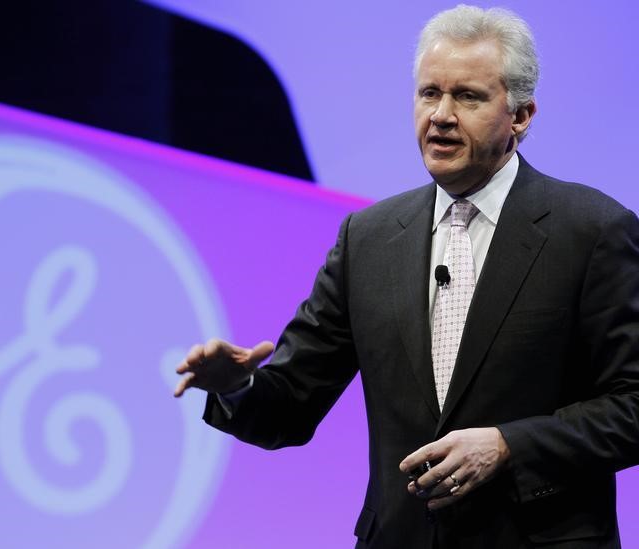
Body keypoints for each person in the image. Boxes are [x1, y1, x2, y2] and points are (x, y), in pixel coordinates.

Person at [174, 5, 639, 548]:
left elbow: (631, 405)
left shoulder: (592, 231)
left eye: (467, 96)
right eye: (428, 93)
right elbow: (291, 406)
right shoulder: (368, 239)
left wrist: (508, 445)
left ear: (521, 115)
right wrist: (239, 387)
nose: (441, 115)